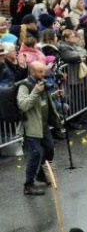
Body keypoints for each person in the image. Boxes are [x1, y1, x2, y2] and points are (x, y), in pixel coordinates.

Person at [17, 61, 62, 195]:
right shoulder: (24, 86)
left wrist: (54, 95)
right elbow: (24, 105)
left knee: (49, 150)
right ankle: (28, 185)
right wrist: (36, 91)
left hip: (44, 125)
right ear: (32, 72)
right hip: (32, 128)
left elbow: (43, 101)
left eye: (44, 71)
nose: (44, 74)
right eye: (40, 72)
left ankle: (41, 174)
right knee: (35, 154)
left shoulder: (42, 83)